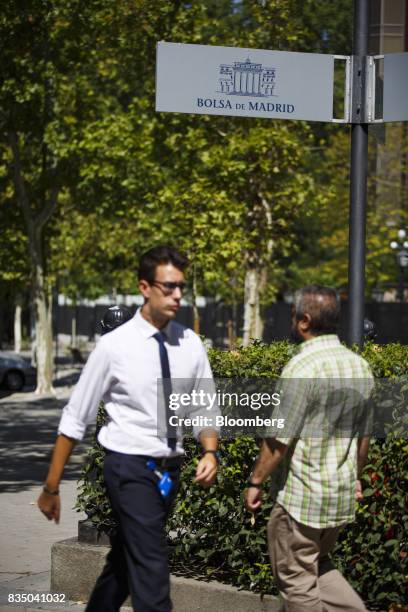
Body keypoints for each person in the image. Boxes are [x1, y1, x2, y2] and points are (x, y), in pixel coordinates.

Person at [38, 245, 219, 612]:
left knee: (124, 562)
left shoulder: (190, 344)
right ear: (144, 287)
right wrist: (51, 486)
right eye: (168, 286)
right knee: (152, 572)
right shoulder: (114, 347)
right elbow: (76, 416)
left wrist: (210, 451)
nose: (177, 295)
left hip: (170, 470)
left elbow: (204, 404)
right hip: (129, 468)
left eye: (181, 287)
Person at [245, 285, 374, 612]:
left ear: (303, 321)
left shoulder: (302, 368)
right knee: (316, 566)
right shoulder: (360, 367)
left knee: (296, 581)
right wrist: (354, 479)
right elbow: (363, 441)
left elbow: (277, 442)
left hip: (301, 502)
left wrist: (255, 482)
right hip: (338, 501)